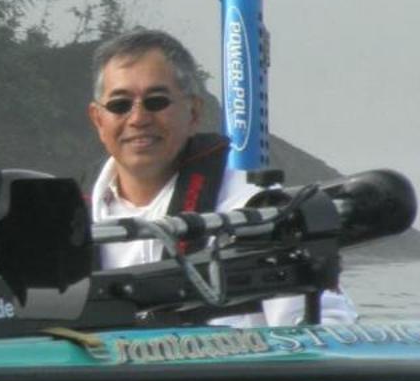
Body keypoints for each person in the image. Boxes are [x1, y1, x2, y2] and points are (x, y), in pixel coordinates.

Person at [86, 27, 353, 326]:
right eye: (120, 105)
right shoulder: (67, 222)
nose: (138, 119)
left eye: (157, 101)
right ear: (98, 119)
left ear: (194, 113)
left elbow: (327, 327)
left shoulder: (256, 209)